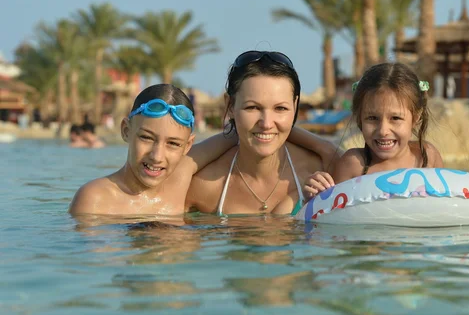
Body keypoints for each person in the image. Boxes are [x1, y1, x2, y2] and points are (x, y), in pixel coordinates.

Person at [70, 83, 335, 217]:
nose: (157, 155)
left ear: (188, 145)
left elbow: (235, 134)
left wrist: (292, 132)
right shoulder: (95, 199)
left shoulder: (180, 180)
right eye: (147, 138)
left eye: (173, 144)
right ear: (126, 130)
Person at [303, 62, 469, 211]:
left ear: (415, 118)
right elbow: (330, 217)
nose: (383, 130)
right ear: (359, 119)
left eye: (395, 118)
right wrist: (316, 196)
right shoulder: (353, 164)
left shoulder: (427, 157)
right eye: (372, 118)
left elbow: (449, 204)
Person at [185, 50, 339, 215]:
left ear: (295, 106)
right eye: (252, 107)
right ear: (230, 106)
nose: (266, 123)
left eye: (280, 108)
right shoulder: (204, 186)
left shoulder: (324, 171)